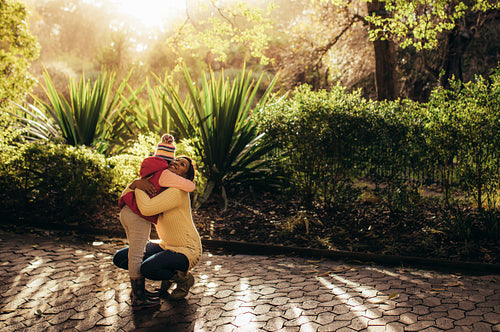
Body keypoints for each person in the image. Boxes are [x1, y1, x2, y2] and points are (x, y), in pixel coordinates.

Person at [117, 134, 196, 311]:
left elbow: (145, 209)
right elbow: (139, 188)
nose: (176, 163)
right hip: (165, 244)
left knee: (147, 268)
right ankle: (141, 290)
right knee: (121, 257)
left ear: (185, 176)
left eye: (182, 164)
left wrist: (137, 185)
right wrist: (137, 183)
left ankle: (182, 278)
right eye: (176, 160)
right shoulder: (161, 184)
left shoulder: (177, 191)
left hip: (185, 248)